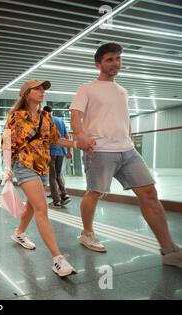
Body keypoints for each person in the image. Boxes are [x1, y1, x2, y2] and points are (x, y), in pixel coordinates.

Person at [70, 42, 182, 266]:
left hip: (128, 150)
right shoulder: (87, 88)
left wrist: (129, 139)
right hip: (100, 150)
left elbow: (123, 119)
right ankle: (87, 233)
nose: (115, 63)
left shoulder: (122, 90)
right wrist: (81, 136)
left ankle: (169, 250)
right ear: (98, 63)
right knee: (95, 193)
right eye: (110, 59)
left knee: (149, 193)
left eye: (118, 59)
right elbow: (76, 115)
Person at [2, 79, 94, 277]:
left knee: (31, 206)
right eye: (37, 89)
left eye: (43, 89)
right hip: (24, 164)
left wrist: (79, 145)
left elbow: (55, 139)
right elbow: (7, 142)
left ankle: (18, 233)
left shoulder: (45, 117)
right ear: (27, 93)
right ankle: (57, 259)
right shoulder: (16, 117)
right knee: (42, 209)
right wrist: (7, 168)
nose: (42, 91)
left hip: (42, 165)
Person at [43, 106, 72, 209]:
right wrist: (69, 151)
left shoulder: (44, 121)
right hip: (61, 151)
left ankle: (56, 201)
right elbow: (67, 136)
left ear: (44, 112)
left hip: (51, 152)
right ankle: (64, 195)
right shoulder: (60, 120)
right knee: (58, 174)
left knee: (51, 177)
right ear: (52, 112)